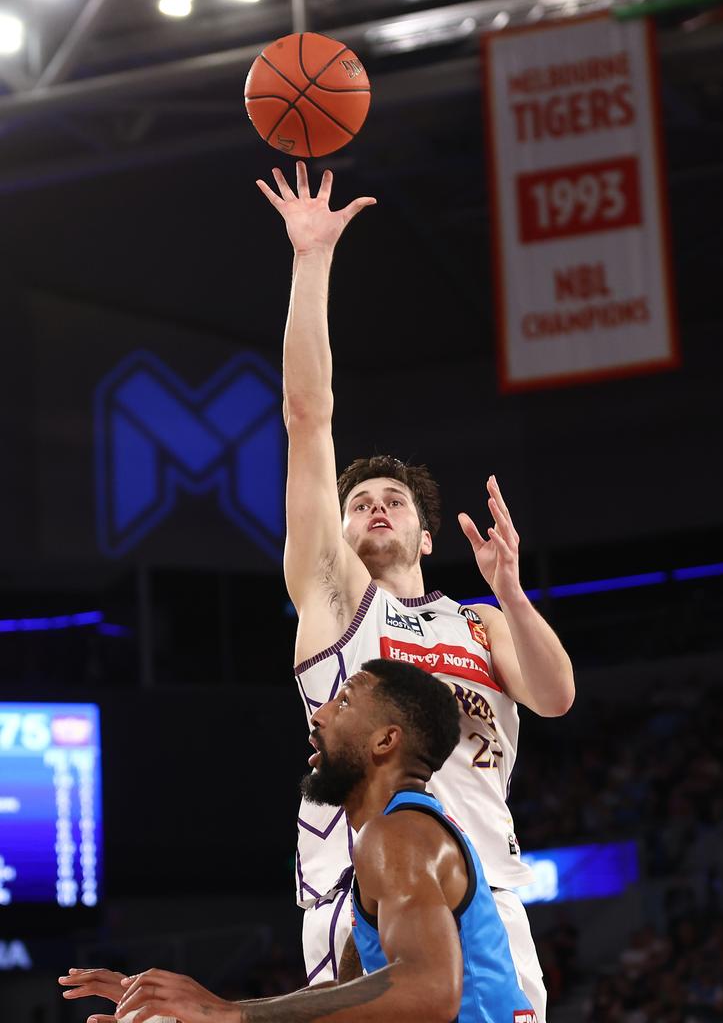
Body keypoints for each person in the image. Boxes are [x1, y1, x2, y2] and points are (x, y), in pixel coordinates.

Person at [255, 162, 575, 1021]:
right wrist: (312, 258)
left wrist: (512, 592)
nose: (374, 506)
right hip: (364, 890)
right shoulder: (333, 602)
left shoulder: (476, 622)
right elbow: (306, 415)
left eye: (394, 499)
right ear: (342, 535)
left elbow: (553, 698)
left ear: (427, 536)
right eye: (358, 502)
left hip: (486, 888)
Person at [61, 659, 538, 1023]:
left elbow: (432, 988)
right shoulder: (402, 834)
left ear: (385, 741)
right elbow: (339, 994)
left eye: (345, 701)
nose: (320, 715)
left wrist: (229, 1015)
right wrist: (201, 1010)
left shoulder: (398, 837)